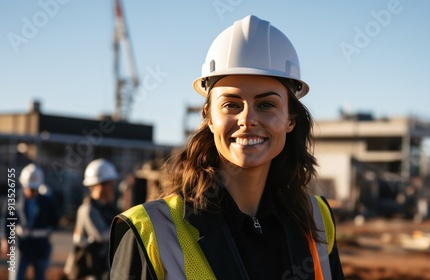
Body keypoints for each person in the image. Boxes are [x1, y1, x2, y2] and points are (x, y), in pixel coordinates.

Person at [109, 15, 345, 280]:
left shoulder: (317, 221)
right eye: (231, 104)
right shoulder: (151, 232)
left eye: (266, 104)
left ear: (290, 119)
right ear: (209, 117)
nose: (247, 119)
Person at [1, 163, 59, 280]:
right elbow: (6, 219)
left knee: (40, 276)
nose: (31, 191)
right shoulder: (14, 199)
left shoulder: (46, 200)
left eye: (34, 188)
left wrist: (51, 199)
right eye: (29, 188)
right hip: (20, 246)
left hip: (41, 247)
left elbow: (55, 220)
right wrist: (5, 239)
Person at [64, 159, 119, 280]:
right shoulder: (87, 210)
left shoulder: (108, 208)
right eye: (111, 184)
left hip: (102, 267)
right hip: (90, 269)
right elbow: (103, 235)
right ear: (100, 185)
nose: (113, 188)